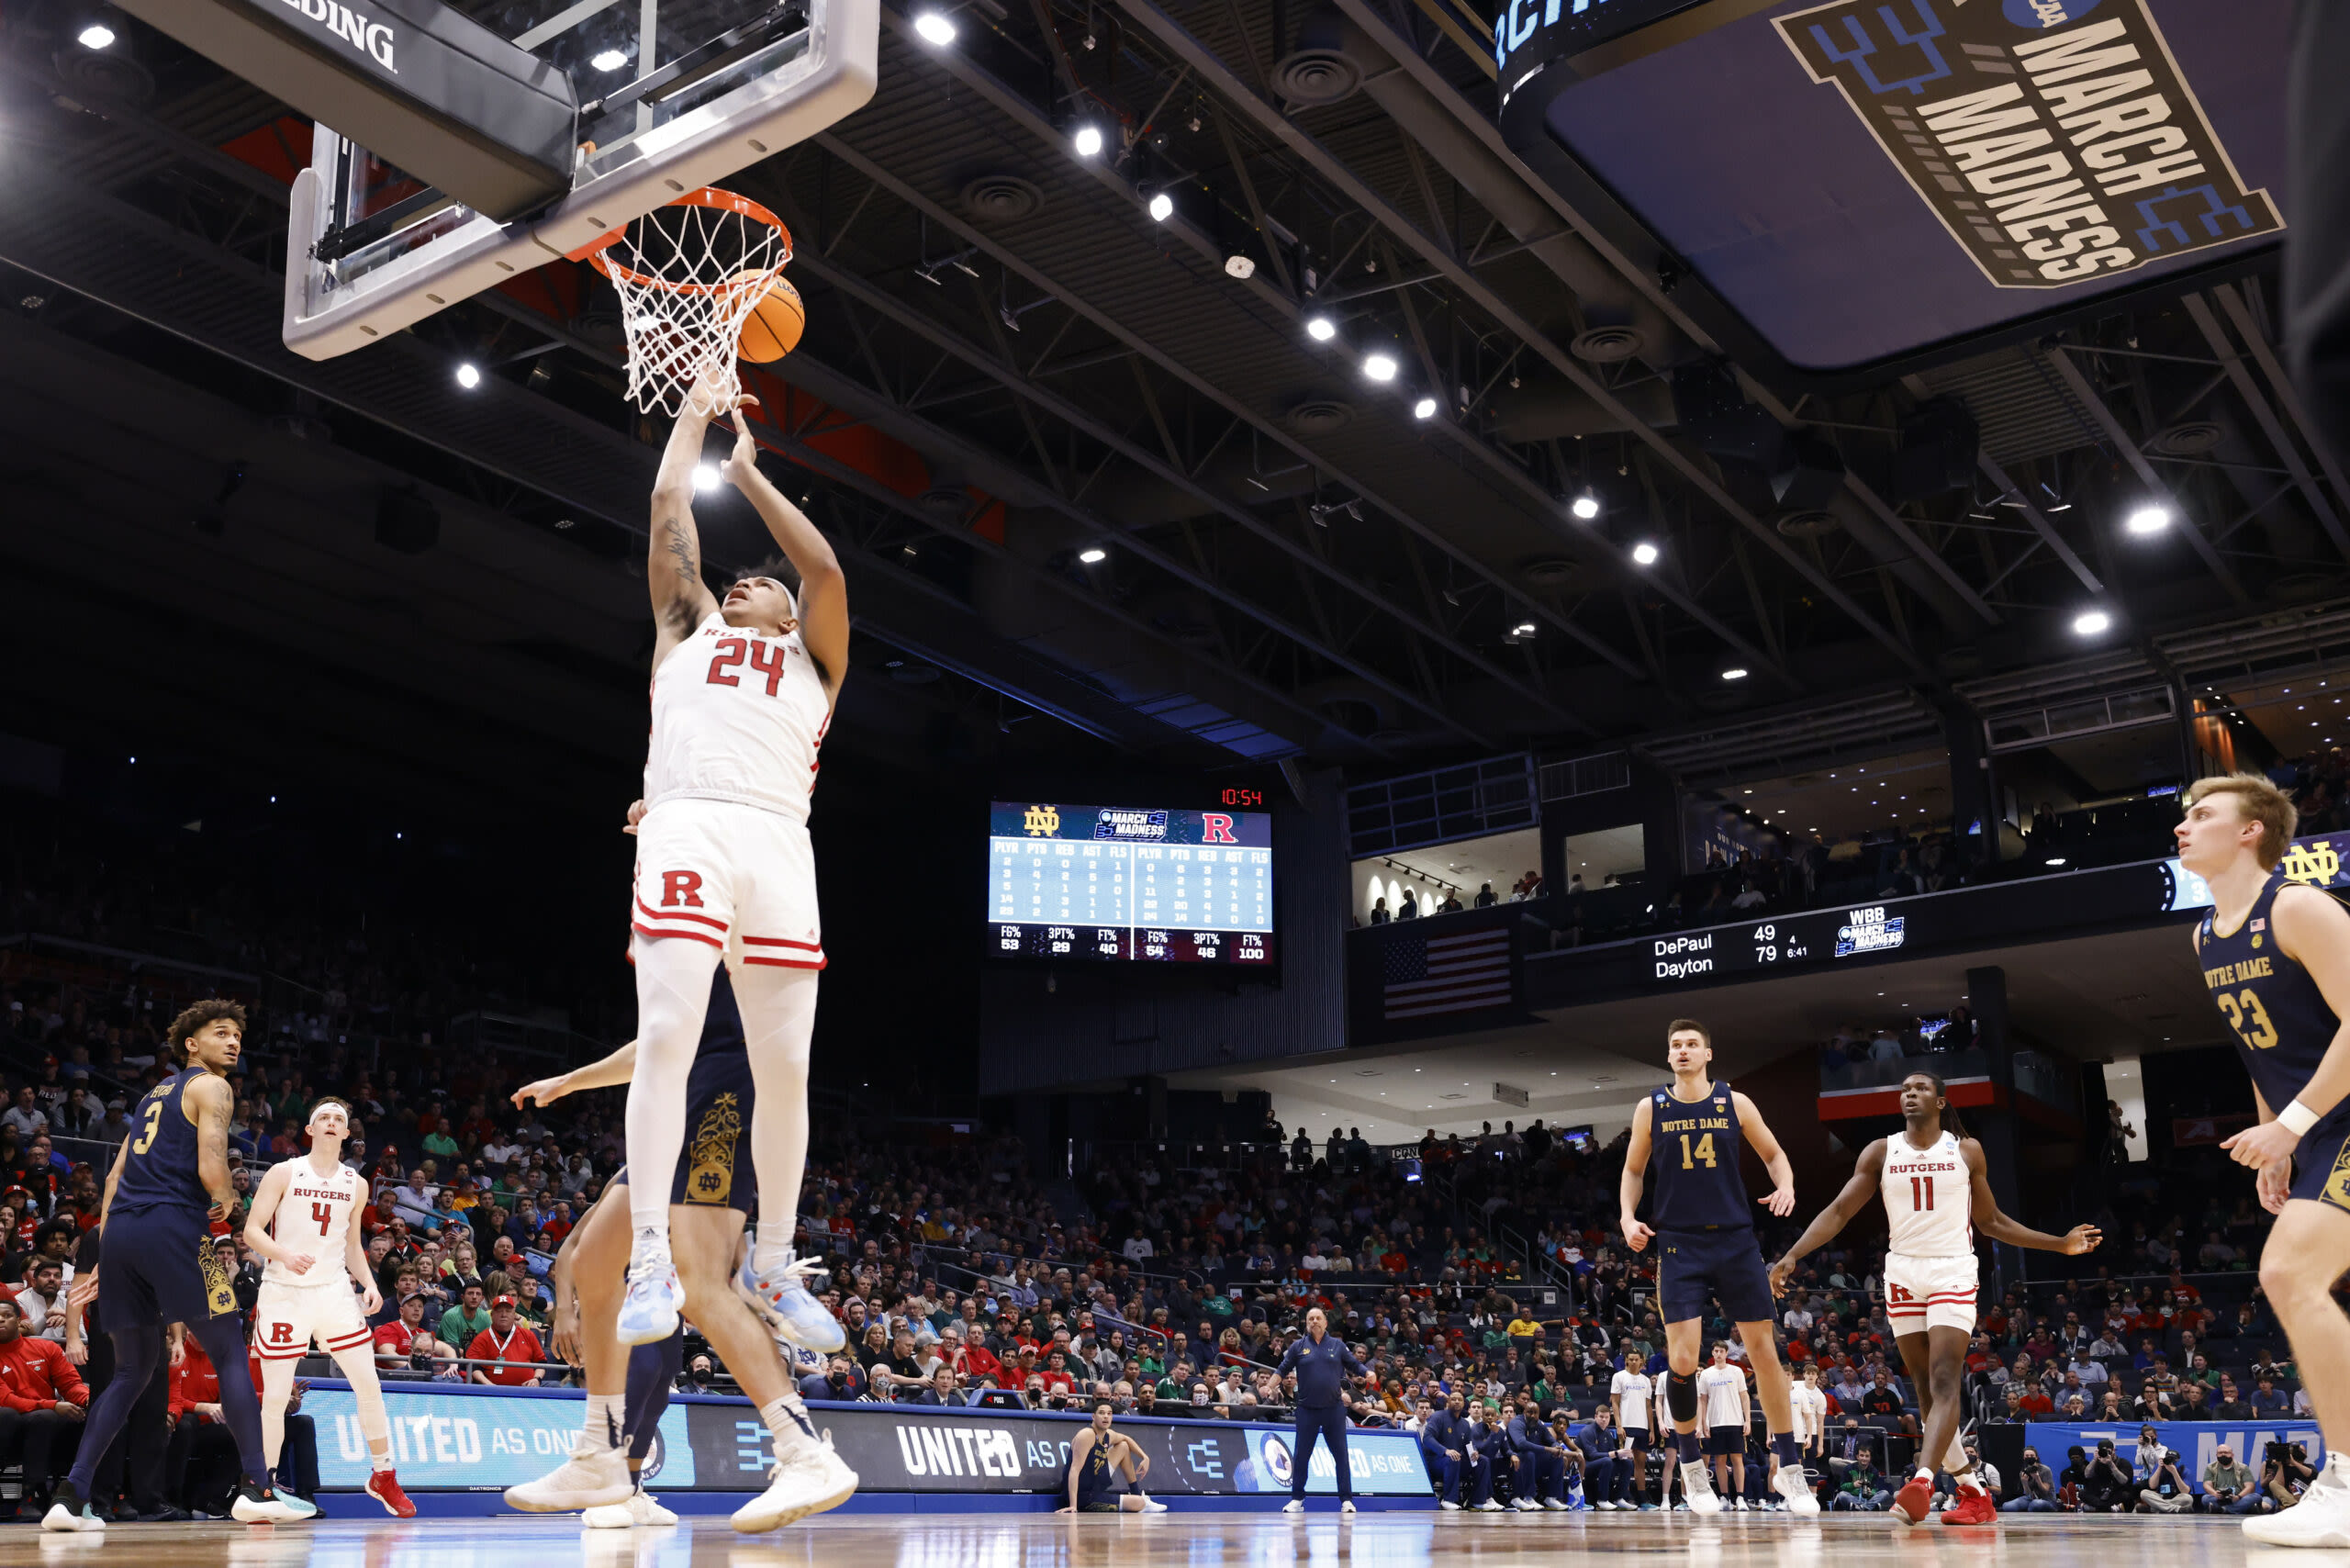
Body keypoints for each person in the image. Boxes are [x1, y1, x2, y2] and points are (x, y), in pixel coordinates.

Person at [616, 371, 848, 1363]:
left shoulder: (814, 660)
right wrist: (695, 417)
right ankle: (650, 1262)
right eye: (740, 575)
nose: (750, 579)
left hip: (777, 837)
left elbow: (828, 571)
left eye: (767, 582)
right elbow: (670, 507)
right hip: (689, 824)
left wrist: (750, 475)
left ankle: (777, 1262)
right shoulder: (688, 630)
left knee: (785, 1065)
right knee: (667, 1033)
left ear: (789, 620)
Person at [505, 969, 856, 1532]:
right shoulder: (680, 956)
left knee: (701, 1285)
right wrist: (572, 1080)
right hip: (668, 1108)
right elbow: (656, 1043)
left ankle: (803, 1450)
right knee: (592, 1258)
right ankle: (601, 1452)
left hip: (723, 1092)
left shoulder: (734, 932)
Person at [1769, 1070, 2098, 1527]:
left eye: (1920, 1089)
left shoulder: (1965, 1150)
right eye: (1904, 1090)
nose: (1909, 1095)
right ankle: (1973, 1492)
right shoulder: (1881, 1150)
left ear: (1941, 1102)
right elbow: (1841, 1210)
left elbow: (1993, 1222)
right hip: (1902, 1270)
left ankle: (1922, 1481)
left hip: (1952, 1268)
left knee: (1945, 1381)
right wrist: (1792, 1255)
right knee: (1924, 1392)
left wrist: (2059, 1244)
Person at [44, 1002, 310, 1531]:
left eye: (238, 1034)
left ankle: (71, 1497)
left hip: (120, 1233)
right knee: (231, 1348)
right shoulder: (212, 1087)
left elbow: (116, 1175)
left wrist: (108, 1247)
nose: (234, 1042)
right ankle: (256, 1487)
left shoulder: (151, 1097)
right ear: (191, 1044)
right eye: (221, 1033)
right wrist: (230, 1198)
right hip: (174, 1228)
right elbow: (213, 1162)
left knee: (130, 1371)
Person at [2176, 773, 2350, 1546]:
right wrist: (2274, 1138)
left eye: (2203, 815)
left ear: (2251, 831)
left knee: (2287, 1274)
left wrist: (2295, 1124)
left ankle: (2345, 1480)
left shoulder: (2300, 906)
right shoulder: (2207, 933)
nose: (2184, 826)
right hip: (2316, 1128)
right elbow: (2261, 1049)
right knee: (2294, 1277)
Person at [1618, 1018, 1817, 1514]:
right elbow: (1633, 1169)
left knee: (1764, 1354)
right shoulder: (1652, 1107)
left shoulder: (1735, 1101)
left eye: (1691, 1045)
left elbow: (1774, 1154)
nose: (1683, 1051)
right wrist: (1626, 1218)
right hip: (1679, 1245)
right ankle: (1691, 1469)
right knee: (1683, 1361)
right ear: (1669, 1057)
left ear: (1709, 1053)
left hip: (1735, 1242)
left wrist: (1786, 1184)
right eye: (1675, 1046)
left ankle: (1790, 1471)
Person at [242, 1097, 411, 1517]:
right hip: (285, 1291)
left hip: (334, 1291)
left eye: (340, 1119)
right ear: (311, 1130)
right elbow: (250, 1231)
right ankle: (263, 1486)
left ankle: (383, 1473)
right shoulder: (284, 1171)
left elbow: (352, 1245)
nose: (333, 1123)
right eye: (325, 1118)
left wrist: (370, 1283)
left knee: (368, 1383)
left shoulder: (356, 1183)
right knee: (276, 1396)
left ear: (348, 1133)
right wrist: (283, 1254)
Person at [1275, 1307, 1365, 1513]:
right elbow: (1282, 1369)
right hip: (1307, 1410)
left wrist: (1367, 1372)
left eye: (1318, 1318)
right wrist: (1269, 1386)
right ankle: (1297, 1499)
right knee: (1301, 1456)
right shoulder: (1298, 1346)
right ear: (1306, 1323)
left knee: (1341, 1455)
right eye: (1310, 1318)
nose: (1314, 1321)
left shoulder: (1337, 1345)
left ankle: (1346, 1500)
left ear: (1325, 1323)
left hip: (1333, 1410)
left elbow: (1354, 1364)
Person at [1057, 1401, 1166, 1513]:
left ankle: (1136, 1493)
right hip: (1083, 1496)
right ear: (1093, 1416)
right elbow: (1074, 1470)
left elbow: (1127, 1439)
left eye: (1109, 1413)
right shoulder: (1086, 1435)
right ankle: (1141, 1503)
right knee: (1139, 1503)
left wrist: (1145, 1457)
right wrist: (1073, 1506)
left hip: (1096, 1484)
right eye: (1102, 1413)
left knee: (1123, 1446)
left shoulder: (1108, 1434)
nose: (1106, 1417)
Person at [1695, 1342, 1750, 1508]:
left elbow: (1745, 1396)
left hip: (1735, 1421)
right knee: (1719, 1461)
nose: (1718, 1354)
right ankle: (1724, 1497)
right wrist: (1703, 1423)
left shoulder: (1736, 1371)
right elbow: (1702, 1401)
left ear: (1726, 1353)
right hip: (1715, 1423)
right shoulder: (1706, 1374)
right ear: (1712, 1353)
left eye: (1721, 1351)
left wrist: (1747, 1420)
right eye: (1715, 1351)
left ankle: (1740, 1497)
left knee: (1737, 1460)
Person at [2001, 1446, 2059, 1513]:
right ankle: (2029, 1507)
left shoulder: (2045, 1470)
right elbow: (2028, 1494)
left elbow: (2045, 1491)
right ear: (2024, 1457)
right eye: (2027, 1456)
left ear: (2036, 1457)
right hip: (2031, 1499)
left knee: (2035, 1504)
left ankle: (2030, 1507)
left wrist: (2038, 1479)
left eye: (2032, 1455)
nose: (2029, 1457)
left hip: (2047, 1500)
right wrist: (2025, 1483)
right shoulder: (2023, 1472)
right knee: (2007, 1506)